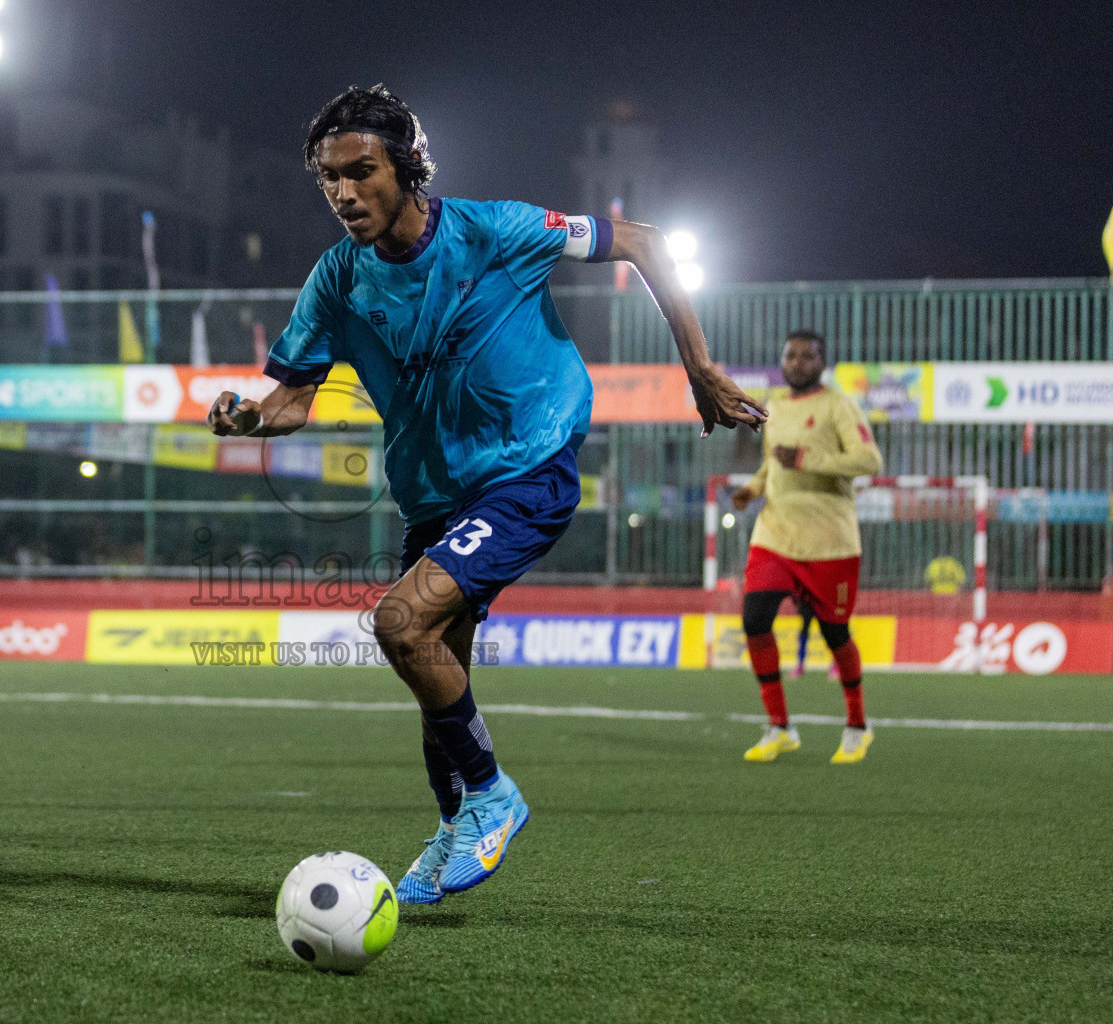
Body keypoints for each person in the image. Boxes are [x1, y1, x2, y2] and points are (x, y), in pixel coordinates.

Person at [208, 86, 764, 904]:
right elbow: (290, 400)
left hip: (526, 468)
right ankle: (450, 826)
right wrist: (246, 418)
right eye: (329, 179)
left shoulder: (496, 230)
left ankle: (494, 797)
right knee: (438, 672)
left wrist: (700, 367)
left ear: (405, 169)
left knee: (400, 622)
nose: (344, 194)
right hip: (434, 497)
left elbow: (642, 240)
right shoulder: (337, 279)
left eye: (361, 172)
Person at [733, 330, 881, 765]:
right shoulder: (773, 406)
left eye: (807, 356)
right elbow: (771, 465)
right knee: (755, 619)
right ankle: (779, 726)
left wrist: (808, 461)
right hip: (775, 534)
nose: (797, 362)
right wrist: (753, 487)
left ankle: (857, 725)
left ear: (822, 362)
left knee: (835, 634)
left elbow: (870, 460)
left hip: (828, 541)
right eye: (790, 355)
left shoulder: (838, 405)